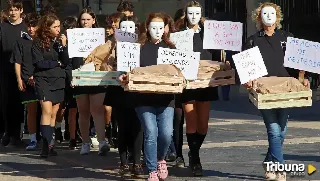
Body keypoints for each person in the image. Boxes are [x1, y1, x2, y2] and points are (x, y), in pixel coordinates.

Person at [244, 3, 309, 181]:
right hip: (264, 90)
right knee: (273, 130)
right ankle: (280, 168)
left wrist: (302, 78)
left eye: (272, 13)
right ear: (258, 17)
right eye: (264, 13)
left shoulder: (288, 38)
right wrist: (247, 80)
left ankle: (269, 162)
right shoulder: (252, 40)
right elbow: (246, 67)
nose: (268, 16)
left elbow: (298, 65)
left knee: (281, 131)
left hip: (285, 90)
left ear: (278, 17)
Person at [120, 12, 175, 181]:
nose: (157, 31)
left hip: (166, 99)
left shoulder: (171, 49)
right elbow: (127, 67)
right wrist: (123, 76)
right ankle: (151, 169)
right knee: (151, 132)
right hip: (143, 98)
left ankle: (160, 159)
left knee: (166, 134)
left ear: (165, 29)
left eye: (160, 28)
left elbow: (181, 71)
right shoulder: (138, 47)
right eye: (153, 28)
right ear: (147, 28)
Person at [175, 1, 221, 176]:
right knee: (191, 120)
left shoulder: (209, 34)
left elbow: (217, 54)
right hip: (187, 83)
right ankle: (195, 159)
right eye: (190, 13)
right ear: (185, 14)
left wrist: (224, 60)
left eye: (196, 13)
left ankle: (193, 150)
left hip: (206, 82)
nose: (193, 17)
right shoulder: (179, 34)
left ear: (200, 14)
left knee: (203, 125)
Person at [32, 13, 68, 157]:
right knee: (46, 111)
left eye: (59, 26)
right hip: (43, 80)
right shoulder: (37, 42)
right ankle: (45, 146)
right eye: (55, 27)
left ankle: (50, 144)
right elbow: (39, 63)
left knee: (54, 114)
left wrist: (64, 46)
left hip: (58, 79)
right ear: (47, 28)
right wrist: (56, 63)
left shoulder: (59, 42)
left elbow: (65, 61)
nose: (58, 29)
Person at [74, 7, 110, 156]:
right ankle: (85, 143)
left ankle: (102, 142)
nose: (85, 22)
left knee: (98, 110)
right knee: (83, 112)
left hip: (96, 77)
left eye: (88, 19)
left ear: (94, 20)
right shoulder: (74, 36)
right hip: (80, 76)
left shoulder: (101, 37)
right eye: (83, 19)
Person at [10, 12, 41, 151]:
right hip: (27, 81)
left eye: (34, 26)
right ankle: (33, 139)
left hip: (44, 80)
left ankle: (49, 137)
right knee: (31, 110)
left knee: (48, 111)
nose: (31, 29)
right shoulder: (21, 41)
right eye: (29, 26)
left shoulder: (43, 40)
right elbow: (17, 62)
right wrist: (19, 79)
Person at [0, 0, 28, 147]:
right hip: (4, 70)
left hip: (21, 72)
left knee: (19, 104)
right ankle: (7, 132)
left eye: (16, 9)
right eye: (11, 10)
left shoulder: (26, 28)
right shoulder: (2, 27)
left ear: (21, 10)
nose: (13, 12)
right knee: (5, 102)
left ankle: (16, 135)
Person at [62, 16, 82, 150]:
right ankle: (72, 137)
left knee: (84, 111)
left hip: (83, 78)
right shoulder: (64, 45)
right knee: (72, 111)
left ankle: (80, 135)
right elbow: (65, 64)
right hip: (70, 80)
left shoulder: (81, 43)